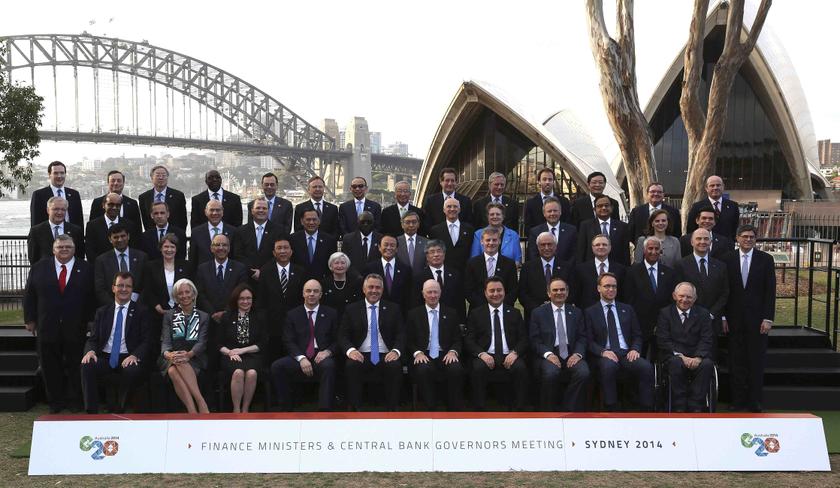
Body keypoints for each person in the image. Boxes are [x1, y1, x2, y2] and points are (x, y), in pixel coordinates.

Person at [24, 235, 95, 413]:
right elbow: (29, 295)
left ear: (74, 249)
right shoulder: (39, 268)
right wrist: (30, 320)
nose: (64, 249)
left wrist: (91, 320)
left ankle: (76, 401)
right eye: (60, 247)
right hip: (47, 325)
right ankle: (55, 402)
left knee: (75, 365)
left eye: (68, 247)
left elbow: (91, 297)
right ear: (53, 249)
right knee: (49, 366)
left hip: (75, 326)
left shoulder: (85, 268)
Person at [81, 273, 151, 413]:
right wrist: (90, 351)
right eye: (120, 285)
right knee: (87, 365)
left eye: (128, 286)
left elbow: (147, 340)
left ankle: (120, 408)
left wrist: (135, 355)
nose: (124, 289)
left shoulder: (141, 311)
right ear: (113, 288)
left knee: (131, 370)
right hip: (105, 356)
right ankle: (91, 412)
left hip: (128, 356)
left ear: (132, 289)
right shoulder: (102, 311)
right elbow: (93, 338)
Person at [724, 224, 776, 412]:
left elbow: (770, 291)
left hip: (758, 321)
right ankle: (737, 402)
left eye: (751, 237)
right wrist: (723, 317)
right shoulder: (727, 259)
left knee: (755, 362)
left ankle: (755, 401)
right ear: (737, 238)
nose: (748, 240)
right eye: (744, 236)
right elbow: (724, 291)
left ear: (756, 239)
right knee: (736, 362)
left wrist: (768, 318)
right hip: (733, 320)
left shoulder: (766, 260)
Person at [585, 273, 654, 411]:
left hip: (626, 353)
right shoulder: (590, 312)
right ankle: (611, 408)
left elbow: (637, 335)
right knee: (608, 367)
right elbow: (588, 340)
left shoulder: (627, 309)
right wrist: (603, 352)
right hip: (605, 354)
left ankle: (646, 409)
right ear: (599, 288)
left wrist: (635, 348)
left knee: (646, 367)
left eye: (614, 286)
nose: (611, 289)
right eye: (607, 286)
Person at [339, 273, 405, 411]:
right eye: (370, 287)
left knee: (394, 366)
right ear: (363, 289)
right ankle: (355, 408)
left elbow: (401, 334)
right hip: (360, 353)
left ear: (382, 290)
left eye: (378, 288)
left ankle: (393, 408)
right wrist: (351, 351)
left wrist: (396, 351)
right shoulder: (352, 309)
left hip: (385, 353)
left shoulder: (394, 308)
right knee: (351, 365)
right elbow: (343, 335)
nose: (374, 291)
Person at [272, 279, 338, 411]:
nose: (311, 294)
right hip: (300, 356)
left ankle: (325, 410)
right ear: (303, 293)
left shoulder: (331, 313)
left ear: (321, 294)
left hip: (322, 356)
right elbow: (288, 340)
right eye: (308, 291)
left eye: (315, 291)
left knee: (329, 366)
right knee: (277, 366)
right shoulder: (292, 314)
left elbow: (338, 339)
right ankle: (286, 408)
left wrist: (328, 352)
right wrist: (301, 358)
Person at [464, 277, 529, 411]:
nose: (495, 294)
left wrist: (515, 353)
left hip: (509, 354)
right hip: (485, 354)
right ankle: (479, 408)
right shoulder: (476, 314)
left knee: (520, 368)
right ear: (485, 293)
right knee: (477, 368)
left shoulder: (515, 313)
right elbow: (469, 340)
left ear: (504, 292)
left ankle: (519, 409)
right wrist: (481, 354)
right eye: (492, 291)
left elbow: (523, 338)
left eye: (499, 290)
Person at [529, 278, 589, 411]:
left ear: (567, 293)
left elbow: (582, 337)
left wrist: (578, 354)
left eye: (562, 289)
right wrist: (548, 354)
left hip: (571, 352)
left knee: (583, 372)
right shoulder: (538, 313)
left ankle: (569, 408)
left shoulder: (576, 312)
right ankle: (547, 410)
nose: (559, 292)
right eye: (555, 290)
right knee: (551, 373)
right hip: (549, 353)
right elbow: (534, 340)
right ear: (549, 293)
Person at [656, 282, 715, 412]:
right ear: (674, 296)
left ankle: (696, 406)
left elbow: (707, 339)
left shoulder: (703, 314)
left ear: (694, 298)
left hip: (696, 355)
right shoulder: (665, 313)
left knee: (707, 364)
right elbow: (663, 340)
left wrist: (698, 357)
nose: (685, 300)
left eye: (689, 297)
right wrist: (681, 356)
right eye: (681, 296)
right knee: (675, 363)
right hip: (674, 356)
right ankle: (679, 406)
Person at [407, 279, 464, 410]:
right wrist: (417, 353)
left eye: (435, 292)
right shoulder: (414, 314)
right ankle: (430, 406)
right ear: (423, 294)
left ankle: (453, 408)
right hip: (424, 353)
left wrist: (453, 351)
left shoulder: (451, 313)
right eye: (429, 292)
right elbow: (409, 340)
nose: (432, 295)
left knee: (456, 369)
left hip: (445, 353)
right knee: (423, 369)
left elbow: (457, 339)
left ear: (440, 293)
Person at [159, 278, 210, 414]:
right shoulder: (169, 315)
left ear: (194, 294)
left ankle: (194, 406)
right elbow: (165, 341)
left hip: (195, 357)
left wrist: (189, 355)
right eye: (180, 293)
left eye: (187, 292)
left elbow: (202, 342)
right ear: (176, 297)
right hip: (172, 357)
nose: (184, 296)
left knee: (174, 368)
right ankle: (198, 404)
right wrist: (167, 354)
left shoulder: (203, 316)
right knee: (174, 365)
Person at [624, 236, 679, 358]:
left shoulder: (670, 273)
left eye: (656, 248)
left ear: (661, 251)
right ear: (644, 251)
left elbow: (672, 299)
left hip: (663, 323)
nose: (653, 252)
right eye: (650, 248)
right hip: (639, 323)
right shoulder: (632, 272)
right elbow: (629, 298)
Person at [673, 228, 729, 345]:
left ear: (710, 242)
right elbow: (677, 293)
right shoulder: (681, 265)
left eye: (706, 239)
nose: (702, 242)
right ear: (692, 242)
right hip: (688, 321)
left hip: (712, 321)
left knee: (709, 359)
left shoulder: (720, 266)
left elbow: (724, 293)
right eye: (698, 239)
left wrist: (711, 314)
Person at [218, 284, 266, 413]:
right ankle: (236, 409)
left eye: (248, 298)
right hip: (231, 356)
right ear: (236, 300)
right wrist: (230, 352)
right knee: (238, 372)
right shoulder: (227, 316)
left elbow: (262, 343)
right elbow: (218, 343)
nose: (245, 301)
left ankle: (245, 409)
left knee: (252, 373)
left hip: (252, 355)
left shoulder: (260, 316)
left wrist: (243, 350)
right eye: (242, 298)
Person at [257, 237, 305, 361]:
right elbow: (261, 300)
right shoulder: (266, 271)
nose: (283, 251)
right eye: (279, 248)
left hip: (295, 323)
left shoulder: (300, 271)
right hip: (272, 324)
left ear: (291, 251)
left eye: (286, 248)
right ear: (274, 253)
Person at [141, 233, 190, 346]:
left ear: (176, 249)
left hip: (180, 311)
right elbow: (148, 290)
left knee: (178, 344)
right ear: (161, 248)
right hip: (157, 313)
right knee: (156, 344)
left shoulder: (186, 265)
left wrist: (180, 306)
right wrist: (158, 307)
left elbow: (189, 289)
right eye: (166, 247)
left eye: (172, 247)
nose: (169, 250)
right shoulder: (151, 266)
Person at [519, 232, 575, 321]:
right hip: (534, 317)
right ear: (538, 247)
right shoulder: (527, 267)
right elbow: (522, 294)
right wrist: (539, 310)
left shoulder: (567, 267)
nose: (546, 248)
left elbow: (572, 292)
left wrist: (556, 307)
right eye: (543, 245)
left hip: (561, 315)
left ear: (556, 246)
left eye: (550, 244)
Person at [93, 223, 147, 306]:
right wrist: (115, 305)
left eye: (123, 236)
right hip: (112, 307)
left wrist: (137, 304)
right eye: (116, 237)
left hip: (138, 308)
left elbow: (146, 285)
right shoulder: (101, 260)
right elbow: (100, 289)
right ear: (110, 239)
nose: (120, 240)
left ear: (128, 236)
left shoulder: (142, 257)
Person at [464, 228, 518, 310]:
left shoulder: (509, 264)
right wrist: (485, 307)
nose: (491, 243)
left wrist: (499, 306)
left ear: (499, 241)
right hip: (478, 310)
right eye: (488, 240)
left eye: (494, 240)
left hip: (503, 310)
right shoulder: (472, 263)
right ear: (482, 241)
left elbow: (513, 290)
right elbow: (469, 290)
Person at [412, 240, 465, 323]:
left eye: (439, 251)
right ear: (427, 256)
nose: (436, 255)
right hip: (428, 319)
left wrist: (462, 321)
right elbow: (416, 302)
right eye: (432, 252)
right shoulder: (419, 277)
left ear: (444, 254)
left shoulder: (455, 274)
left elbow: (460, 301)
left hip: (451, 320)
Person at [232, 197, 279, 281]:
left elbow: (278, 254)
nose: (261, 210)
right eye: (258, 208)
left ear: (269, 211)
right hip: (246, 277)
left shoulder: (278, 231)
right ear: (252, 211)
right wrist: (252, 272)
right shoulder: (240, 231)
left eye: (264, 208)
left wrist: (263, 272)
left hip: (270, 277)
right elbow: (238, 255)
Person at [574, 234, 626, 309]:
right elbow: (578, 295)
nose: (601, 247)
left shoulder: (620, 269)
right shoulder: (581, 269)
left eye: (604, 244)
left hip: (613, 311)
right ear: (592, 248)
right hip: (588, 313)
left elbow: (623, 294)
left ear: (610, 247)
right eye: (597, 245)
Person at [85, 193, 142, 262]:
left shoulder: (129, 225)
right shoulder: (92, 226)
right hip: (101, 267)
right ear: (103, 205)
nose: (114, 207)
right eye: (111, 204)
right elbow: (90, 251)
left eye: (118, 205)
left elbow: (134, 248)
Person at [27, 196, 84, 264]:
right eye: (56, 209)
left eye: (63, 209)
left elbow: (80, 255)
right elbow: (33, 257)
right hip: (45, 272)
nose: (59, 212)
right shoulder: (36, 231)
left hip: (69, 272)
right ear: (48, 210)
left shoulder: (76, 230)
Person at [577, 195, 630, 266]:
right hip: (592, 268)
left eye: (606, 205)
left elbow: (625, 252)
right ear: (594, 209)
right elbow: (581, 250)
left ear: (612, 208)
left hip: (617, 269)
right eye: (600, 206)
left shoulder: (622, 226)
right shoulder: (586, 226)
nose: (604, 208)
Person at [427, 197, 475, 276]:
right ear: (444, 210)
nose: (452, 209)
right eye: (449, 206)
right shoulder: (435, 230)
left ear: (459, 210)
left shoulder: (470, 229)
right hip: (444, 273)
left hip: (465, 273)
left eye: (455, 206)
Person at [30, 161, 83, 228]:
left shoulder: (74, 194)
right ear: (49, 175)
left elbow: (79, 221)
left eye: (62, 173)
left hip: (70, 236)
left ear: (65, 174)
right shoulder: (39, 195)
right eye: (55, 173)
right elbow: (35, 221)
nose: (59, 176)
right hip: (48, 236)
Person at [363, 234, 412, 309]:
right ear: (379, 247)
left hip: (399, 313)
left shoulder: (405, 269)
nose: (389, 248)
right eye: (386, 245)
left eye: (392, 245)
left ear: (396, 249)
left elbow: (408, 296)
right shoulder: (370, 268)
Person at [686, 175, 740, 240]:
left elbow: (734, 228)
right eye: (712, 185)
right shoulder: (697, 207)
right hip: (705, 246)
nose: (715, 188)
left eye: (718, 185)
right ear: (706, 188)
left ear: (723, 187)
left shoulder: (733, 206)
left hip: (727, 246)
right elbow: (691, 229)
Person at [188, 199, 236, 273]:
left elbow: (235, 257)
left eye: (218, 210)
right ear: (206, 212)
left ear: (222, 212)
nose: (215, 213)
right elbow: (193, 260)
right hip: (204, 277)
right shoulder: (196, 232)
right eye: (211, 210)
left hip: (228, 276)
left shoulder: (233, 231)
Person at [290, 208, 338, 280]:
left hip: (322, 282)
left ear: (319, 221)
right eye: (308, 220)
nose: (311, 222)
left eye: (314, 219)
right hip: (298, 282)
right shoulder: (293, 239)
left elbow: (331, 264)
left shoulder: (330, 240)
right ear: (302, 221)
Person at [138, 165, 188, 232]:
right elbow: (145, 220)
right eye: (158, 175)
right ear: (152, 177)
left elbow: (183, 220)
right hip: (152, 237)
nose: (161, 178)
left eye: (164, 175)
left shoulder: (178, 196)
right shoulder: (144, 197)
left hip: (174, 236)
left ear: (167, 178)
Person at [525, 196, 576, 263]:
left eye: (555, 211)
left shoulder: (571, 230)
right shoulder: (535, 232)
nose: (552, 213)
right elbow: (533, 255)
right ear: (544, 214)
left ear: (560, 212)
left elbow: (574, 254)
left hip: (567, 271)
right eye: (549, 211)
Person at [320, 252, 363, 320]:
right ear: (331, 266)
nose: (340, 266)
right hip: (329, 319)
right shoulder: (324, 283)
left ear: (347, 265)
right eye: (336, 263)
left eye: (343, 263)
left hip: (350, 318)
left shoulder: (355, 282)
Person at [340, 211, 382, 276]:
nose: (366, 224)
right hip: (353, 279)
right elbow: (345, 260)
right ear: (358, 222)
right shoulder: (348, 239)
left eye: (369, 222)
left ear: (373, 223)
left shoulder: (381, 239)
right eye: (362, 222)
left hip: (375, 279)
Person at [397, 211, 427, 276]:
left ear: (418, 224)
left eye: (414, 222)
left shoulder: (426, 242)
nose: (411, 225)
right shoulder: (395, 242)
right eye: (408, 222)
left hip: (420, 280)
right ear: (402, 225)